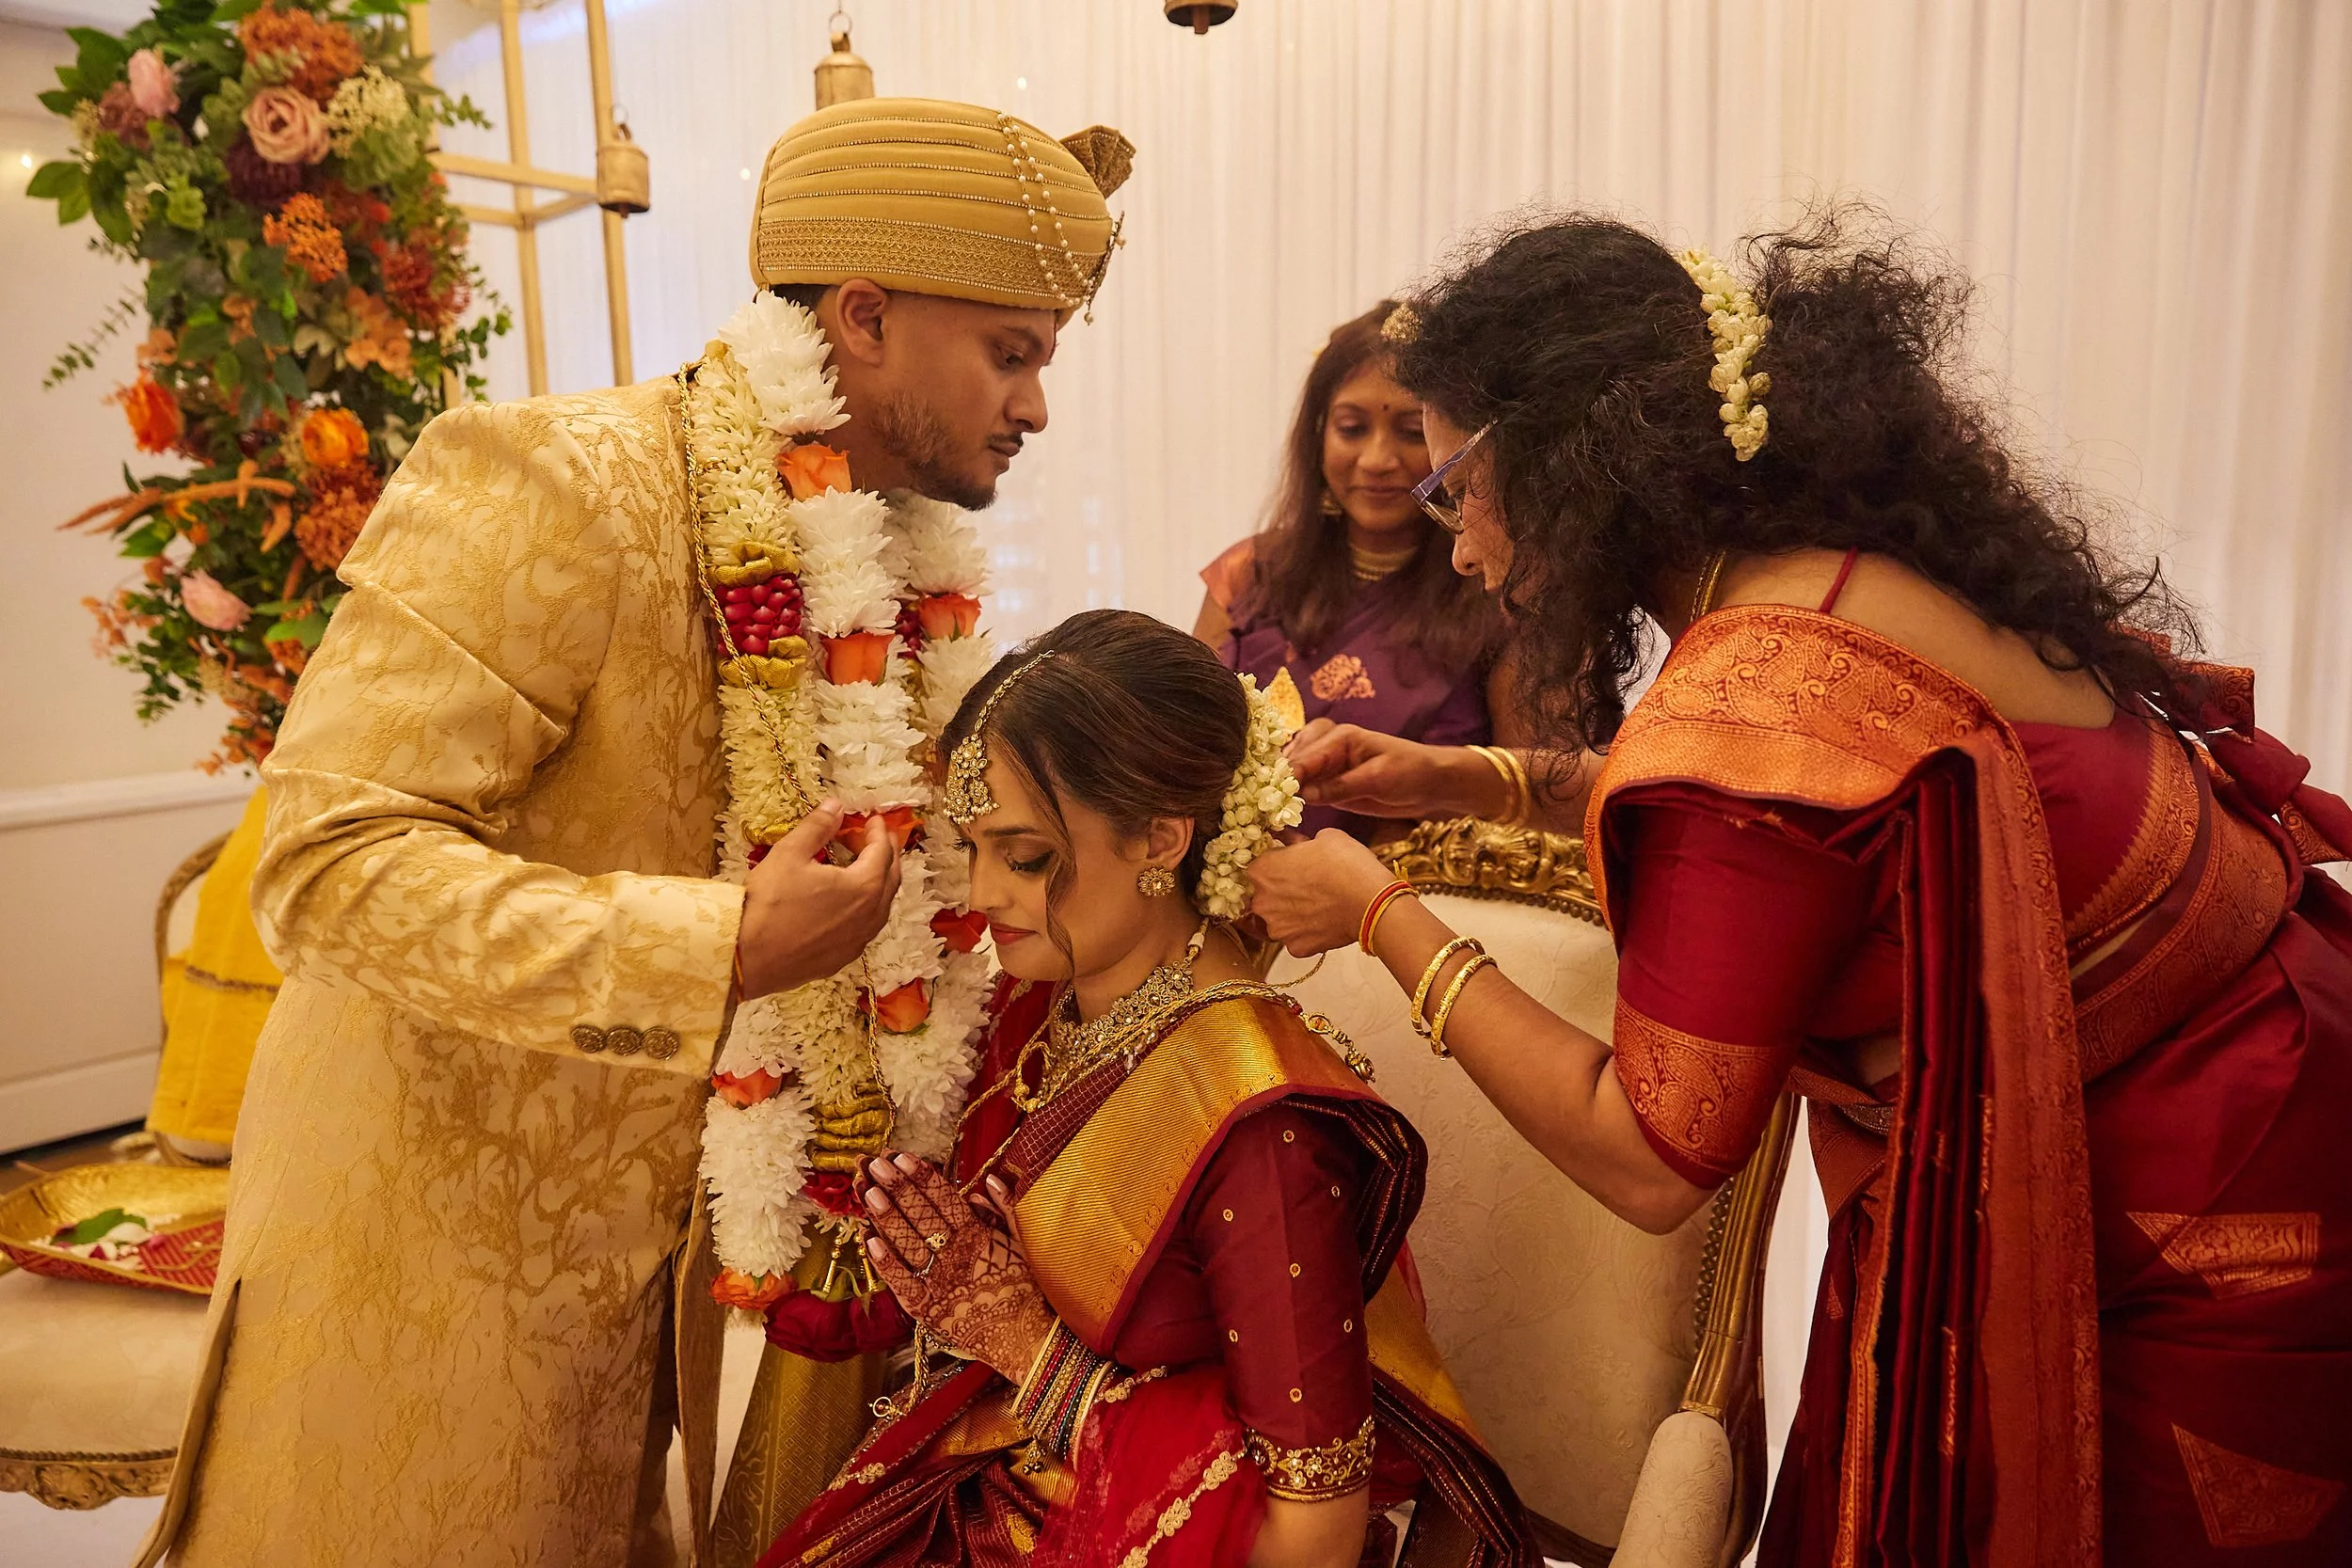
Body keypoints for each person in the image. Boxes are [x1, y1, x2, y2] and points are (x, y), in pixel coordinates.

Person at [1247, 207, 2352, 1565]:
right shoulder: (1841, 570)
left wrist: (1377, 917)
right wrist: (1476, 778)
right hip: (2278, 1053)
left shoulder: (1746, 698)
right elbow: (1844, 820)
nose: (1461, 546)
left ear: (1563, 456)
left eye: (1454, 485)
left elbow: (1651, 1155)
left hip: (2187, 1195)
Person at [138, 98, 1133, 1568]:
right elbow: (326, 863)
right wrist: (722, 941)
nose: (1038, 406)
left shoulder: (898, 564)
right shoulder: (554, 481)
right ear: (862, 316)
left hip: (698, 1288)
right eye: (1013, 351)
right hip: (436, 1264)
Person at [760, 610, 1533, 1568]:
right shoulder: (1050, 1010)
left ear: (1162, 837)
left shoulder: (1261, 1124)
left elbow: (1316, 1535)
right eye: (971, 847)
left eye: (1026, 854)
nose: (984, 893)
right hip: (1006, 1497)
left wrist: (1027, 1349)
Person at [1194, 302, 1511, 839]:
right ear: (1317, 436)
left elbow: (1534, 796)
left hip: (1424, 905)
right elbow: (1177, 746)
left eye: (1412, 432)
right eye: (1351, 428)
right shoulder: (1248, 573)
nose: (1377, 460)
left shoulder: (1500, 589)